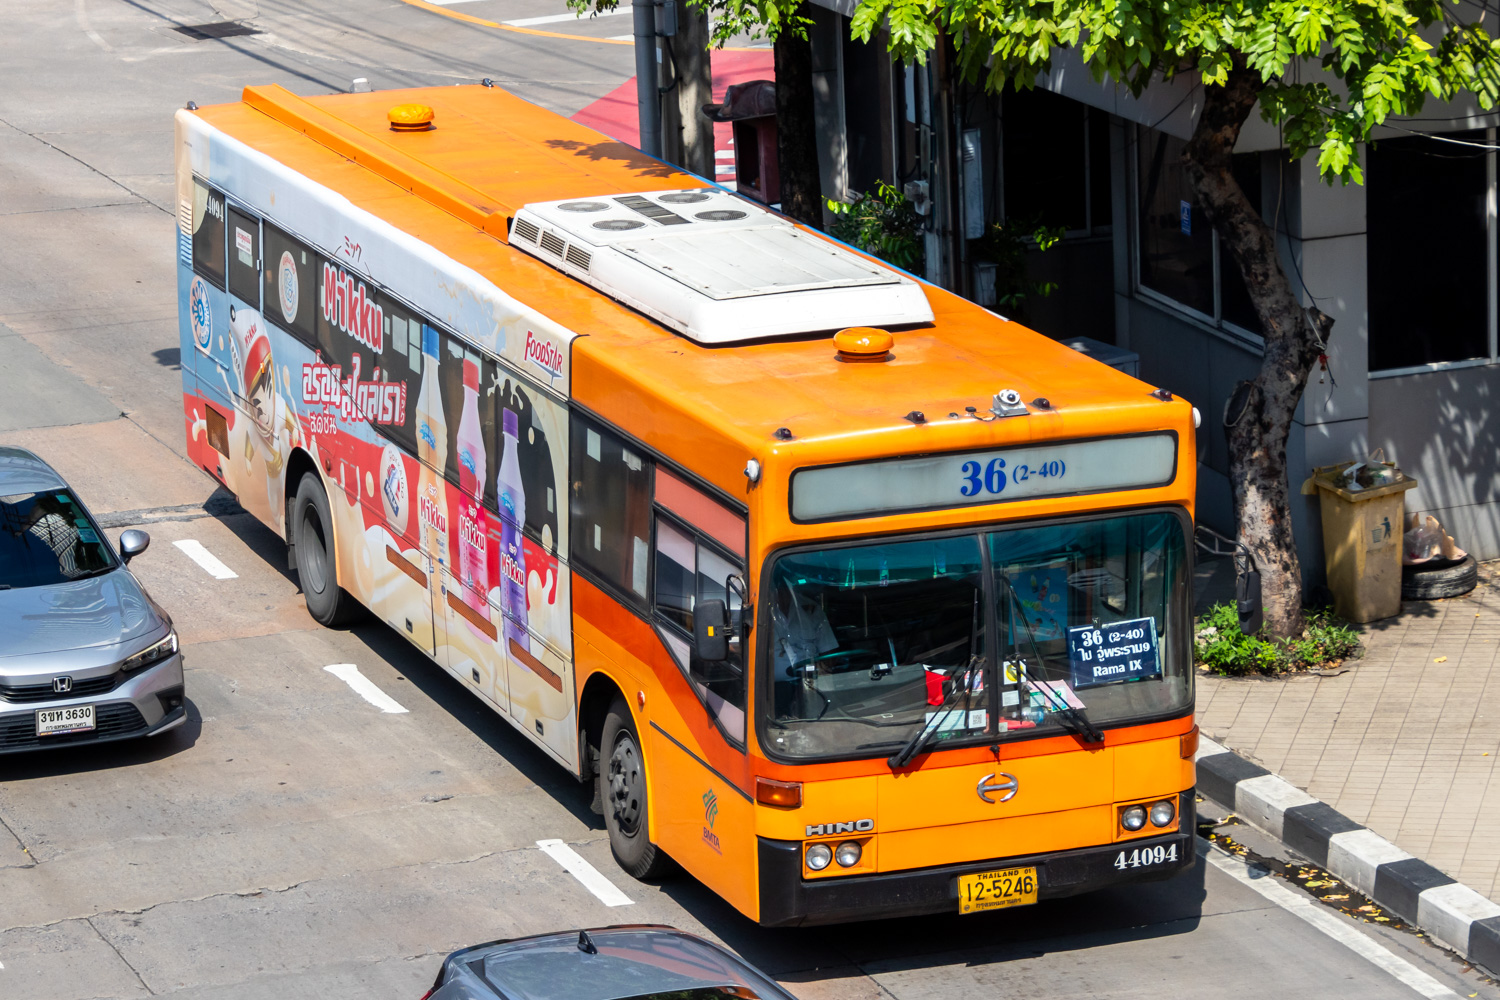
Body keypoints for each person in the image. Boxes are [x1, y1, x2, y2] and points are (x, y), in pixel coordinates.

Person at [769, 581, 837, 676]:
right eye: (778, 586)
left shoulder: (811, 610)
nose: (781, 591)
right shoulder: (763, 613)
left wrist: (823, 670)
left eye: (784, 587)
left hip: (809, 681)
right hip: (771, 686)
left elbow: (829, 651)